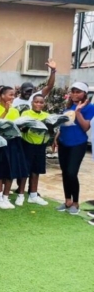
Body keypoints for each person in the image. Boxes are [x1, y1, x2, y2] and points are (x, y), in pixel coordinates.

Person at [56, 82, 94, 215]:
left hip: (78, 144)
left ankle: (76, 203)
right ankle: (67, 201)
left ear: (85, 94)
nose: (75, 94)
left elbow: (85, 127)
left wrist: (78, 111)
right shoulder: (68, 106)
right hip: (63, 142)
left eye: (78, 92)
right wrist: (57, 137)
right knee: (65, 173)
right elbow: (64, 124)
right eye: (73, 91)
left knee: (72, 173)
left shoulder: (90, 107)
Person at [0, 86, 29, 209]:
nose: (12, 97)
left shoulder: (15, 111)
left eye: (13, 95)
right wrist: (5, 111)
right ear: (2, 96)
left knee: (11, 169)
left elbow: (16, 126)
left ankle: (6, 197)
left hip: (13, 142)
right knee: (0, 170)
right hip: (0, 142)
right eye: (10, 95)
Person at [20, 95, 50, 206]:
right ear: (32, 103)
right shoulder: (26, 114)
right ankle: (20, 195)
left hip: (41, 145)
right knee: (25, 171)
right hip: (27, 144)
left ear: (44, 104)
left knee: (36, 171)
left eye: (41, 102)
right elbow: (22, 128)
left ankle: (33, 195)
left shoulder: (46, 115)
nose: (38, 104)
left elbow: (50, 131)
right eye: (36, 102)